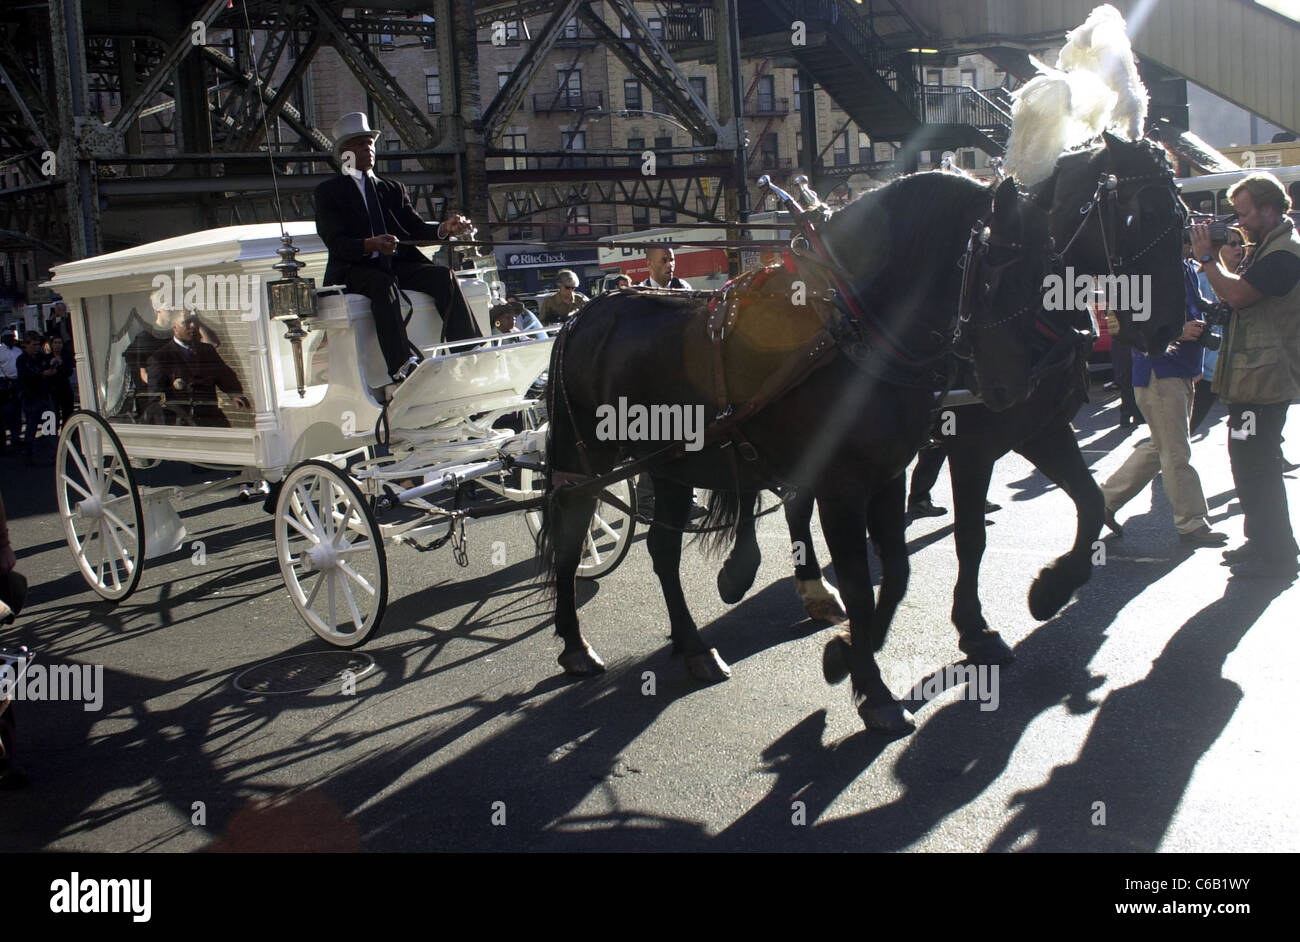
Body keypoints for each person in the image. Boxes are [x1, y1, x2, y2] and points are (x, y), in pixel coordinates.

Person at [314, 112, 479, 384]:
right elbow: (335, 241)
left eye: (370, 143)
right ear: (344, 153)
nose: (368, 148)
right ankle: (401, 365)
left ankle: (469, 352)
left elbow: (416, 230)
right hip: (354, 268)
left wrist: (445, 228)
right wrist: (370, 245)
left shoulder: (392, 189)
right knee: (382, 283)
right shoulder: (329, 192)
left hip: (396, 263)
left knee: (443, 277)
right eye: (359, 144)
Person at [1192, 172, 1300, 578]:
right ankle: (1264, 542)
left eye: (1244, 213)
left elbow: (1238, 295)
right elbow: (1236, 287)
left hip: (1265, 382)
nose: (1238, 222)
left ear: (1269, 210)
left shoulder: (1284, 253)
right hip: (1255, 378)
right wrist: (1220, 260)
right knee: (1248, 460)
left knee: (1257, 464)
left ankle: (1277, 554)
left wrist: (1207, 259)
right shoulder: (1270, 246)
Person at [1100, 252, 1226, 547]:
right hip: (1160, 373)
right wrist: (1179, 333)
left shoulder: (1182, 265)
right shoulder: (1142, 269)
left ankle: (1101, 503)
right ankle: (1192, 524)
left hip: (1176, 372)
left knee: (1162, 447)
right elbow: (1123, 325)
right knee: (1176, 452)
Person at [145, 312, 250, 427]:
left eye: (195, 321)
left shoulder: (207, 350)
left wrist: (234, 394)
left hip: (211, 419)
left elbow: (224, 374)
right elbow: (156, 399)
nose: (193, 325)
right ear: (174, 326)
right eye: (186, 322)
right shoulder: (160, 358)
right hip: (183, 424)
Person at [15, 331, 55, 465]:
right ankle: (28, 455)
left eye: (38, 344)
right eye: (33, 345)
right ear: (26, 345)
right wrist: (42, 374)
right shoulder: (22, 360)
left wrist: (50, 370)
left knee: (50, 427)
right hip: (31, 397)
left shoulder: (41, 357)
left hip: (44, 395)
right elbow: (28, 375)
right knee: (31, 429)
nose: (36, 347)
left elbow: (47, 368)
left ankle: (54, 454)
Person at [46, 336, 75, 427]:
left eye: (59, 343)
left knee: (68, 413)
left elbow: (69, 371)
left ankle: (67, 431)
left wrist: (61, 364)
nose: (57, 345)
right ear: (51, 344)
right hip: (52, 389)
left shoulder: (67, 357)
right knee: (53, 414)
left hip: (65, 387)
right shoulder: (47, 357)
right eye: (55, 343)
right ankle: (53, 433)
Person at [0, 332, 20, 454]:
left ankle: (15, 438)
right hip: (3, 383)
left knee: (17, 412)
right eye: (8, 338)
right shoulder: (1, 351)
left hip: (17, 382)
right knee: (5, 413)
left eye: (12, 337)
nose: (11, 339)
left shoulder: (18, 351)